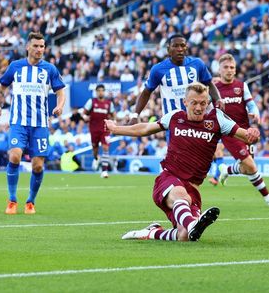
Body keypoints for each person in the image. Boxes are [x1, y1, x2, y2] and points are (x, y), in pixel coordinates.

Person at [110, 82, 259, 241]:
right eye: (194, 103)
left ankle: (152, 232)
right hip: (168, 179)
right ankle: (192, 223)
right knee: (183, 199)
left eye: (203, 103)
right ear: (185, 102)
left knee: (185, 235)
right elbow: (144, 129)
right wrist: (116, 129)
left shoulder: (217, 119)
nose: (198, 107)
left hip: (193, 188)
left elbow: (247, 136)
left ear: (208, 103)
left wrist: (252, 134)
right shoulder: (175, 117)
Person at [131, 34, 225, 182]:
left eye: (183, 45)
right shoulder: (158, 70)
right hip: (175, 124)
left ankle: (218, 173)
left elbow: (209, 83)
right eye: (176, 46)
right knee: (179, 162)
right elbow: (146, 92)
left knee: (210, 153)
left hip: (198, 120)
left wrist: (218, 99)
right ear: (168, 49)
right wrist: (135, 115)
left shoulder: (197, 64)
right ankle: (179, 194)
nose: (180, 49)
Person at [0, 32, 66, 215]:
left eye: (42, 46)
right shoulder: (16, 67)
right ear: (28, 47)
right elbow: (1, 89)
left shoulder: (49, 69)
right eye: (36, 46)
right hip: (18, 122)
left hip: (40, 125)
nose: (40, 50)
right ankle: (12, 199)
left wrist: (60, 106)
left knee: (38, 166)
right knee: (15, 156)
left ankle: (30, 201)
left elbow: (60, 92)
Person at [213, 54, 269, 208]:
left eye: (232, 67)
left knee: (247, 168)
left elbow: (251, 105)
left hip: (246, 132)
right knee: (251, 166)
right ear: (219, 69)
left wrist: (256, 112)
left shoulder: (241, 86)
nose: (229, 70)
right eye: (226, 67)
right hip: (229, 132)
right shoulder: (214, 90)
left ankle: (227, 169)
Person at [82, 84, 115, 178]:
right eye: (99, 90)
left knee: (105, 147)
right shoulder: (91, 102)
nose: (101, 92)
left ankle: (104, 170)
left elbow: (113, 114)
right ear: (96, 92)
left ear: (104, 92)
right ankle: (96, 158)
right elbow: (83, 113)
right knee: (95, 149)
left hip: (105, 129)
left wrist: (114, 122)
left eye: (102, 90)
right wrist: (85, 117)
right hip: (94, 129)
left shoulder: (109, 103)